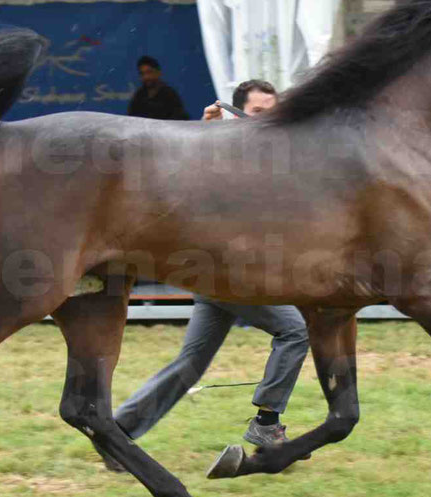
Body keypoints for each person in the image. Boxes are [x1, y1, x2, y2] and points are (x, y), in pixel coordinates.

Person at [97, 80, 310, 472]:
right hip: (226, 274)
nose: (268, 120)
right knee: (294, 331)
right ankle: (266, 424)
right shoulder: (221, 152)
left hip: (219, 278)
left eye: (273, 111)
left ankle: (118, 433)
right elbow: (188, 175)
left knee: (190, 365)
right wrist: (205, 130)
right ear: (237, 113)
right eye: (259, 112)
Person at [126, 55, 188, 120]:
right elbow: (131, 121)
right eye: (142, 74)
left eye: (149, 72)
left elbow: (179, 122)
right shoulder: (138, 96)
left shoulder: (170, 96)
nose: (146, 77)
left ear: (158, 73)